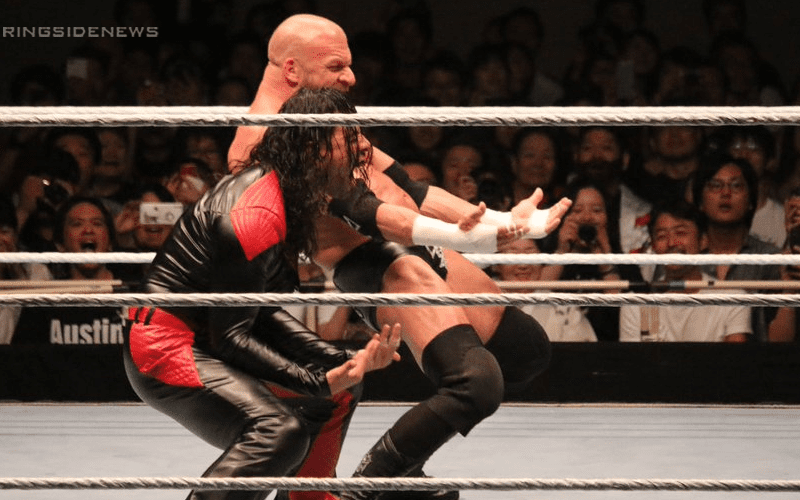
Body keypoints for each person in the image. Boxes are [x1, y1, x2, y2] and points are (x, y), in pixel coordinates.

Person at [227, 14, 571, 500]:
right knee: (475, 383)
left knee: (523, 350)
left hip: (417, 242)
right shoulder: (264, 140)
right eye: (337, 66)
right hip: (379, 262)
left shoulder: (325, 111)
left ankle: (401, 472)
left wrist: (506, 221)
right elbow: (364, 211)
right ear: (292, 70)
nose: (351, 77)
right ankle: (373, 484)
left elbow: (407, 188)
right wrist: (479, 239)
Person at [124, 89, 403, 500]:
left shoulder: (288, 194)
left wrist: (340, 362)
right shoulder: (255, 213)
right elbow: (232, 337)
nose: (364, 147)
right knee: (278, 433)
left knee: (343, 387)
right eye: (350, 136)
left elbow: (260, 312)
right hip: (165, 346)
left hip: (206, 336)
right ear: (314, 147)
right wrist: (316, 379)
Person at [620, 200, 751, 342]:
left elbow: (734, 355)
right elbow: (636, 357)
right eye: (662, 236)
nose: (671, 243)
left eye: (680, 233)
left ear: (703, 241)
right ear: (654, 247)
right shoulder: (638, 305)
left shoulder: (732, 298)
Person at [693, 154, 787, 341]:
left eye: (736, 186)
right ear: (700, 202)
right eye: (715, 185)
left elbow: (782, 335)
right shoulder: (685, 258)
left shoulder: (771, 259)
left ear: (751, 201)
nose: (726, 193)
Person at [0, 195, 52, 344]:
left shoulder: (36, 271)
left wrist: (17, 274)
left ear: (15, 236)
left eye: (5, 232)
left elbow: (36, 322)